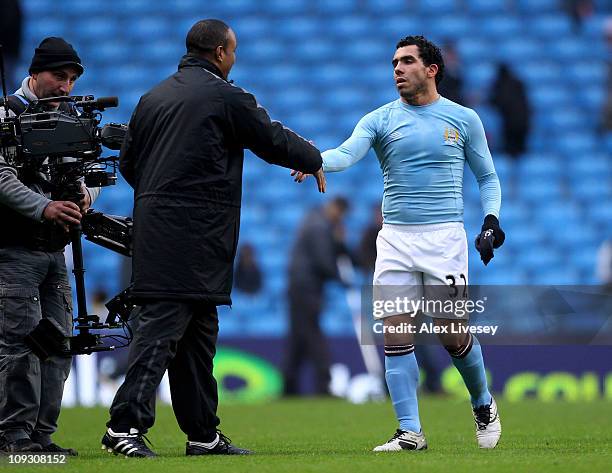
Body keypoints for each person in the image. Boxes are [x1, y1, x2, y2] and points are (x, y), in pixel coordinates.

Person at [101, 19, 324, 458]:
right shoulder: (226, 96)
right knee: (160, 332)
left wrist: (158, 198)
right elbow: (271, 138)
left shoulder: (152, 98)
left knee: (197, 337)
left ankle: (202, 434)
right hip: (194, 236)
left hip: (165, 233)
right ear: (221, 52)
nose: (234, 58)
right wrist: (314, 157)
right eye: (234, 51)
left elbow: (128, 163)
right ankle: (122, 429)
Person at [294, 35, 504, 451]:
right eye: (394, 62)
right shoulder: (380, 119)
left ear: (432, 70)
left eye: (407, 61)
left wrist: (491, 220)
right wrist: (313, 159)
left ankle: (482, 403)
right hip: (394, 241)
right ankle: (410, 430)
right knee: (394, 334)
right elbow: (346, 154)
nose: (397, 69)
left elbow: (487, 177)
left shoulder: (463, 119)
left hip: (444, 239)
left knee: (451, 335)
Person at [0, 37, 97, 455]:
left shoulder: (71, 117)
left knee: (58, 343)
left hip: (55, 250)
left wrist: (83, 198)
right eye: (60, 76)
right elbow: (1, 177)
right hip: (14, 248)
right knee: (19, 342)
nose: (67, 86)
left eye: (73, 78)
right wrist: (45, 207)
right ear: (36, 73)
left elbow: (92, 173)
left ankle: (41, 435)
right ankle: (13, 435)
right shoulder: (5, 116)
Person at [283, 197, 349, 395]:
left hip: (299, 287)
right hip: (307, 289)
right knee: (313, 335)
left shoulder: (313, 222)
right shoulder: (319, 227)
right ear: (335, 209)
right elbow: (323, 261)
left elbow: (332, 254)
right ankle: (323, 384)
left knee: (299, 337)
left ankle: (289, 386)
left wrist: (339, 242)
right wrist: (341, 279)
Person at [489, 63, 530, 158]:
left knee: (511, 150)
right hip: (524, 122)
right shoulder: (518, 83)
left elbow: (496, 101)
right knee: (520, 150)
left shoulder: (500, 85)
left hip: (510, 124)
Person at [0, 0, 23, 91]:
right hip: (9, 50)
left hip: (7, 51)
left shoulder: (9, 4)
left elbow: (8, 22)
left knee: (7, 80)